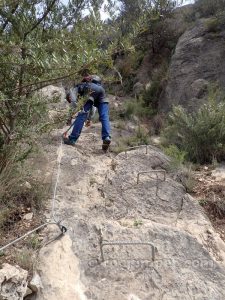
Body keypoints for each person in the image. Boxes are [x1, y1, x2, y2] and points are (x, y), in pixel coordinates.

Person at [63, 75, 111, 151]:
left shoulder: (80, 86)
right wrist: (89, 119)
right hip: (101, 90)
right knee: (104, 116)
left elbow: (73, 96)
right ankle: (106, 137)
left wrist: (76, 105)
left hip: (91, 88)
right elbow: (92, 107)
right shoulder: (91, 85)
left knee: (82, 115)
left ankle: (72, 139)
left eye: (69, 99)